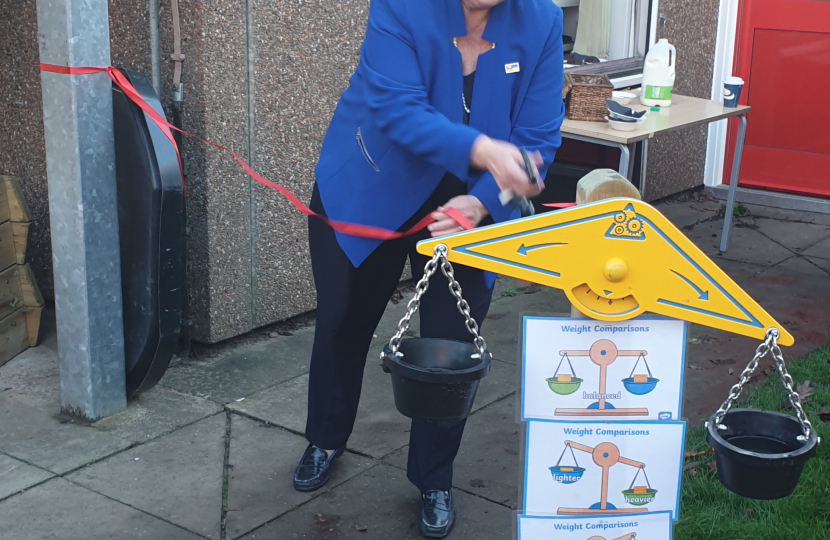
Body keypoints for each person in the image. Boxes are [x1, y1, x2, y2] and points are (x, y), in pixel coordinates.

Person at [293, 0, 564, 537]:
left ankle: (434, 477)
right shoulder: (400, 6)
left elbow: (536, 139)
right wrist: (487, 151)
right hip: (372, 186)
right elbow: (396, 110)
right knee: (343, 321)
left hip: (469, 202)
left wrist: (483, 201)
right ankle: (325, 437)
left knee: (451, 346)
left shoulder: (543, 20)